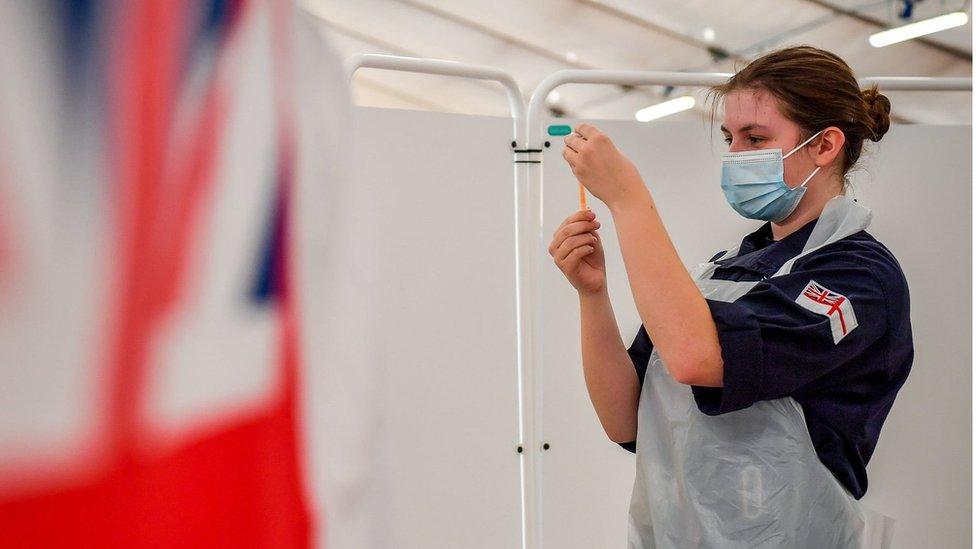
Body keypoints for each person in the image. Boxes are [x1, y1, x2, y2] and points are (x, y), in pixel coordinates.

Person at [549, 46, 913, 547]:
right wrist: (593, 296)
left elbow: (699, 360)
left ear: (826, 145)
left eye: (756, 138)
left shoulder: (858, 278)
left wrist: (629, 200)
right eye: (731, 139)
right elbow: (623, 419)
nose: (737, 156)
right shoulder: (722, 272)